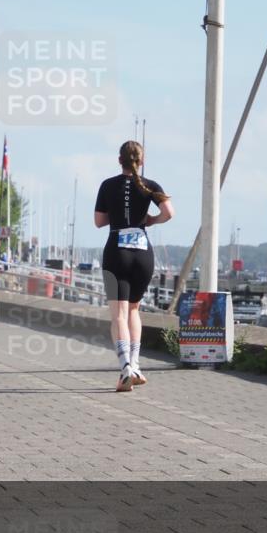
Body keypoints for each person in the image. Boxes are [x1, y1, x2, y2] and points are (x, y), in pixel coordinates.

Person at [94, 141, 174, 392]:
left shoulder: (107, 185)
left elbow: (98, 221)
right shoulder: (151, 185)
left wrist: (116, 213)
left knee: (118, 314)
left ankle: (126, 367)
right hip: (143, 254)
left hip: (116, 251)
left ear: (120, 160)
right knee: (133, 311)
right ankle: (137, 365)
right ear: (142, 160)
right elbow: (169, 213)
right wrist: (150, 220)